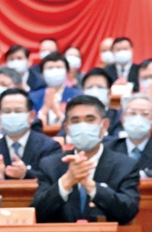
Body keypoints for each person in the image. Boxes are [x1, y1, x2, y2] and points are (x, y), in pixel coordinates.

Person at [31, 95, 140, 224]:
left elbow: (128, 212)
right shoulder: (50, 165)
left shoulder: (125, 165)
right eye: (75, 121)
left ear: (104, 125)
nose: (83, 126)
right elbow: (37, 214)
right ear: (67, 128)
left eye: (90, 120)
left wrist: (91, 186)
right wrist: (66, 182)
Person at [105, 94, 152, 178]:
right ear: (122, 119)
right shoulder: (109, 148)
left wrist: (132, 177)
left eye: (145, 114)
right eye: (132, 113)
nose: (138, 118)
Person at [0, 88, 61, 180]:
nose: (12, 115)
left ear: (31, 116)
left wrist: (26, 174)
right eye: (7, 111)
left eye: (18, 111)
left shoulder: (50, 147)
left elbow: (53, 179)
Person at [29, 53, 81, 126]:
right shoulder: (32, 97)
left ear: (67, 72)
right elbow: (30, 121)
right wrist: (44, 110)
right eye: (50, 68)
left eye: (59, 67)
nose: (55, 71)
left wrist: (58, 113)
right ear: (42, 73)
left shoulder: (78, 95)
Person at [81, 68, 123, 137]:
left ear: (109, 92)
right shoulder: (75, 115)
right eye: (90, 87)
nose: (94, 91)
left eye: (100, 87)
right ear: (83, 92)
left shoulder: (118, 117)